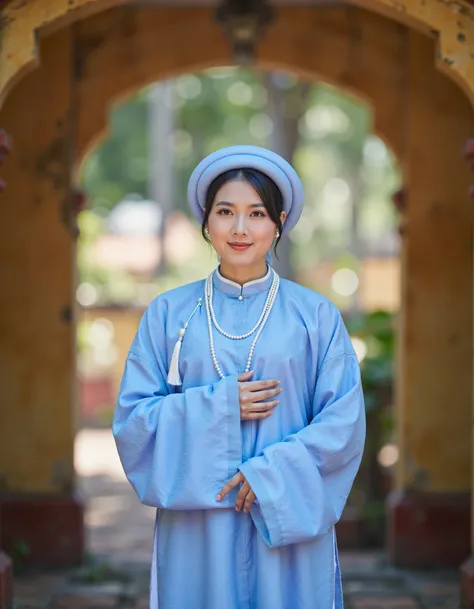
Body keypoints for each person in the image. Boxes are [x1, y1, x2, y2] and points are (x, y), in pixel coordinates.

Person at [113, 145, 366, 609]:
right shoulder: (168, 314)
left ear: (279, 222)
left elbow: (344, 423)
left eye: (257, 213)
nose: (240, 228)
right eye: (225, 211)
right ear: (206, 220)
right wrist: (220, 407)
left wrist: (272, 474)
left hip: (286, 514)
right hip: (197, 524)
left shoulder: (316, 316)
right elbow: (133, 422)